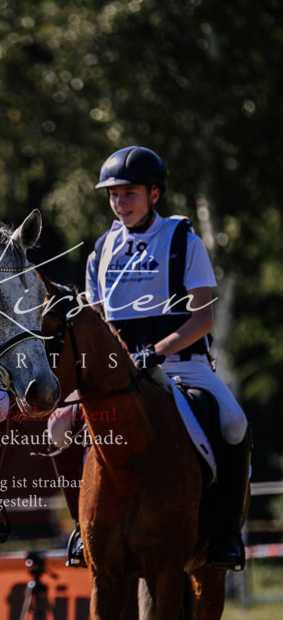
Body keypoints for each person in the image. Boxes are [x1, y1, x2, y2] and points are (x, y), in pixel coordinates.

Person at [63, 145, 250, 571]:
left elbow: (202, 320)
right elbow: (96, 322)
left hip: (184, 367)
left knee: (235, 424)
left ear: (154, 194)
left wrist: (155, 353)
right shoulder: (101, 251)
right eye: (113, 194)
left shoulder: (185, 242)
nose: (119, 203)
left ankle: (225, 533)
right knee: (60, 428)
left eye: (129, 193)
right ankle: (83, 527)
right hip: (119, 376)